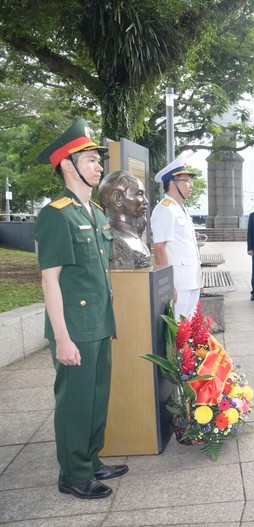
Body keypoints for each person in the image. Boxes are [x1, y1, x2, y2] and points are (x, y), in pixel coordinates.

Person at [33, 118, 126, 499]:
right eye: (90, 159)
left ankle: (90, 459)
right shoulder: (56, 214)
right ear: (67, 165)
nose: (99, 166)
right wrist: (61, 338)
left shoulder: (96, 214)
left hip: (99, 321)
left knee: (96, 394)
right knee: (75, 400)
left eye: (97, 160)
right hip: (74, 327)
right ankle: (72, 474)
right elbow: (49, 280)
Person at [151, 157, 202, 319]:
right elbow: (159, 248)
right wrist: (167, 284)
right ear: (172, 183)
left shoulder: (180, 209)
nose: (191, 185)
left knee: (190, 331)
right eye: (186, 180)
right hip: (178, 283)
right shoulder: (165, 209)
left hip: (192, 279)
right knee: (177, 332)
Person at [98, 170, 151, 270]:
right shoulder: (113, 239)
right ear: (117, 198)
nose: (146, 201)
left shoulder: (132, 235)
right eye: (139, 194)